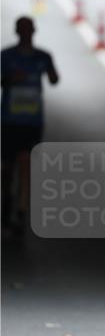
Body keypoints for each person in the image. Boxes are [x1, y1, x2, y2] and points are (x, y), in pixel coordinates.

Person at [1, 17, 59, 233]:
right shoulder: (6, 57)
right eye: (22, 29)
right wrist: (9, 80)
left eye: (29, 29)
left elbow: (54, 80)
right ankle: (6, 200)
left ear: (34, 31)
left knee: (26, 163)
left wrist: (50, 73)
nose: (25, 33)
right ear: (16, 31)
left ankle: (21, 211)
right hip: (8, 120)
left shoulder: (43, 57)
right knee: (7, 168)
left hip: (32, 122)